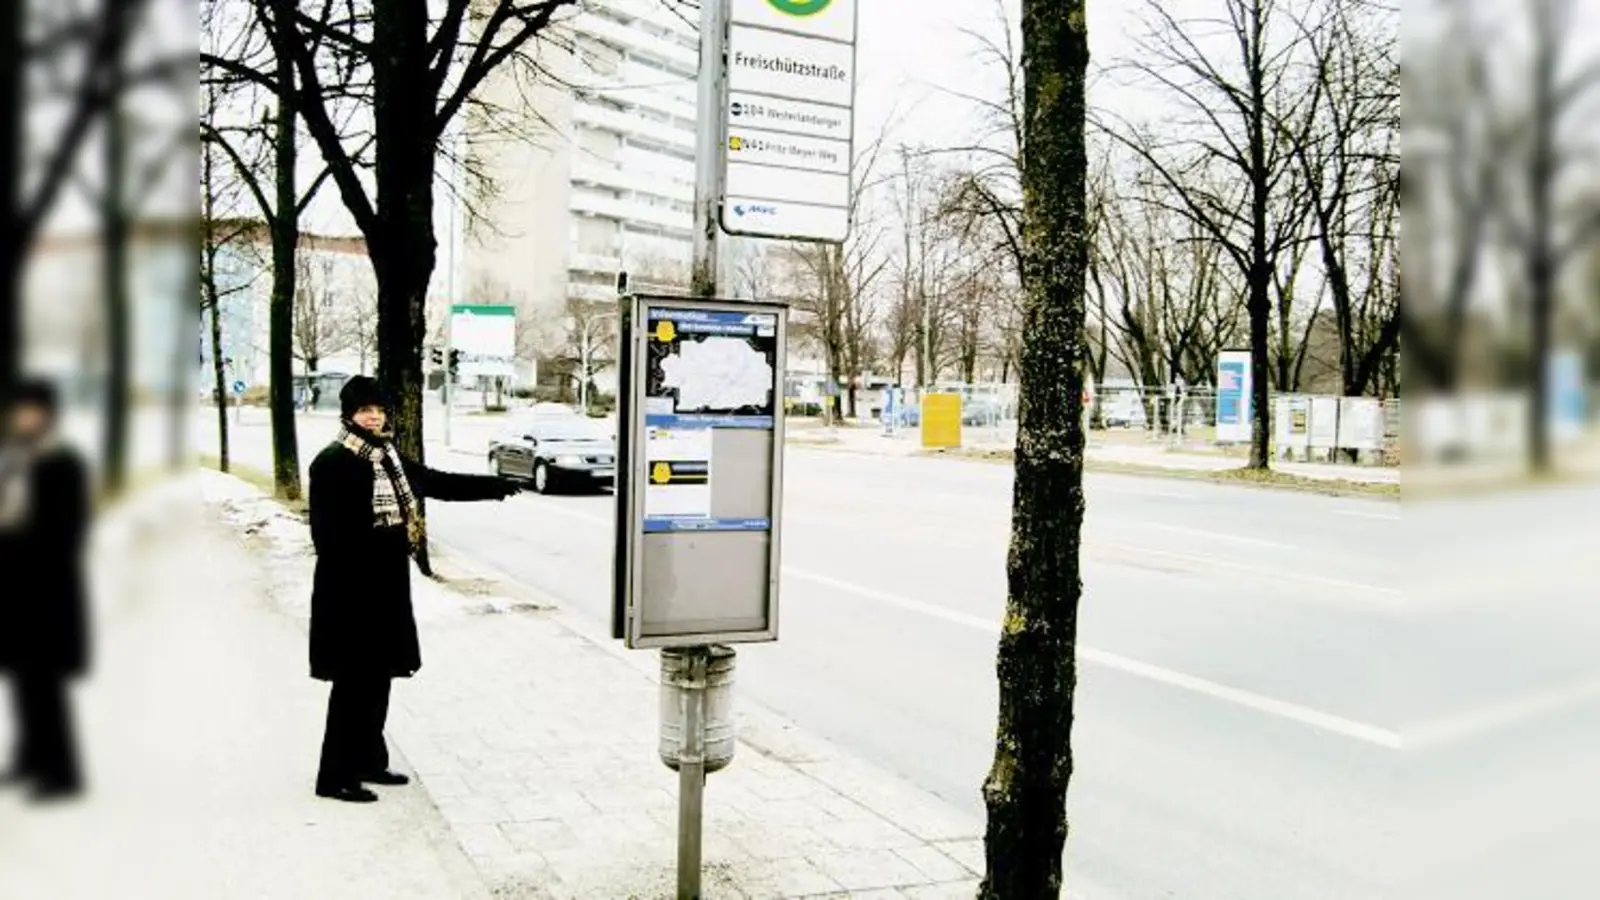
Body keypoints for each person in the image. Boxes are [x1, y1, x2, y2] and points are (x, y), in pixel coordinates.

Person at [308, 376, 523, 803]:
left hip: (386, 587)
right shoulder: (332, 462)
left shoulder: (386, 457)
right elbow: (327, 538)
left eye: (379, 409)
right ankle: (334, 776)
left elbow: (437, 483)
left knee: (378, 679)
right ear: (348, 413)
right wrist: (358, 582)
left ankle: (369, 760)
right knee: (353, 684)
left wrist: (492, 487)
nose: (373, 416)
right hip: (350, 593)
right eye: (365, 409)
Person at [0, 379, 91, 801]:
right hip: (16, 591)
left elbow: (66, 533)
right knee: (21, 679)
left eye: (28, 410)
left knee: (46, 684)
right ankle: (29, 756)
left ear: (45, 414)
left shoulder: (62, 463)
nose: (20, 418)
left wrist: (16, 537)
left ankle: (61, 773)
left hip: (48, 593)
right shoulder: (17, 458)